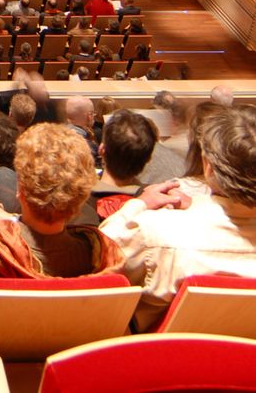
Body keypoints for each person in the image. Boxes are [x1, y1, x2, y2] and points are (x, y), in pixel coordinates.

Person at [0, 123, 124, 331]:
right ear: (80, 200)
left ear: (20, 189)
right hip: (60, 354)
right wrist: (11, 220)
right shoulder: (99, 256)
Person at [101, 106, 256, 331]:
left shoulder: (153, 231)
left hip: (163, 361)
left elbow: (98, 253)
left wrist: (139, 203)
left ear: (209, 167)